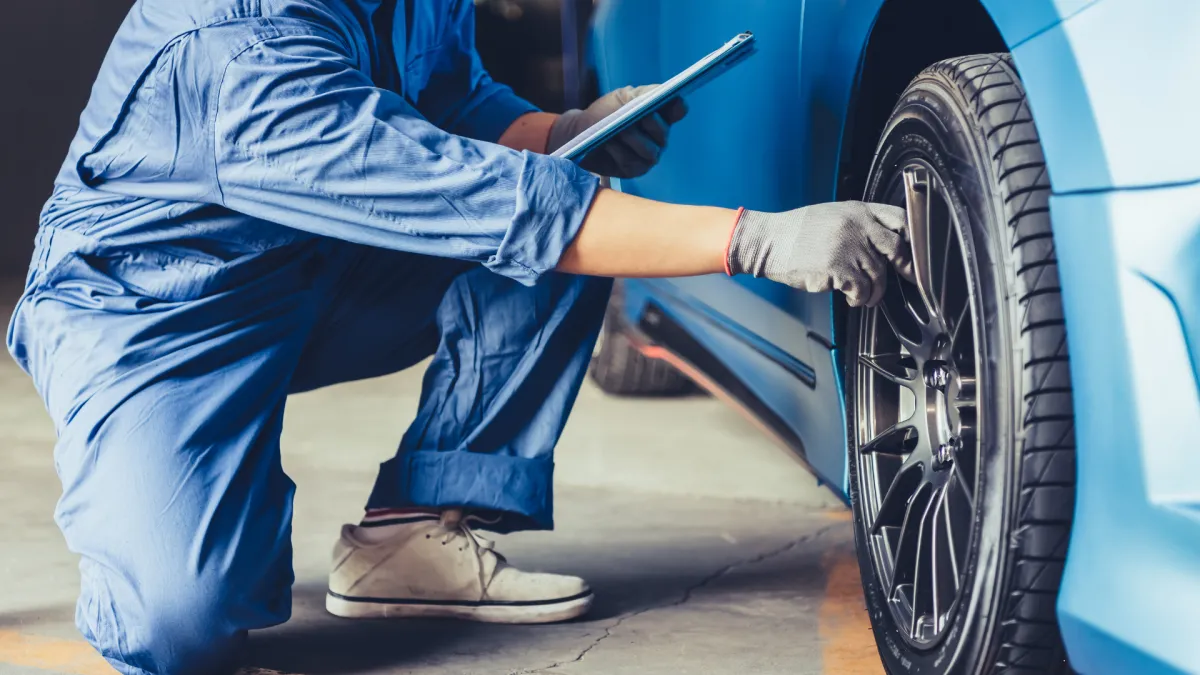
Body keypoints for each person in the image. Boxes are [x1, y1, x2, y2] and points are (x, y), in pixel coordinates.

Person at [6, 1, 913, 673]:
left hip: (322, 266)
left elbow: (453, 106)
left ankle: (411, 534)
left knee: (559, 195)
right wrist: (753, 239)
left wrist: (565, 131)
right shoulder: (239, 47)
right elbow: (487, 203)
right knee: (179, 626)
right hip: (159, 314)